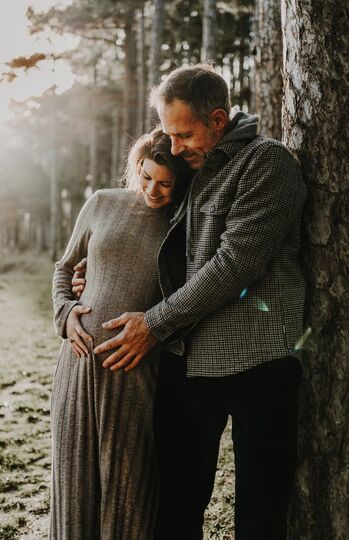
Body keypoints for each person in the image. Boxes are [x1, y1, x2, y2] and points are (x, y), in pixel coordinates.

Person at [74, 64, 307, 540]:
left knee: (260, 515)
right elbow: (162, 242)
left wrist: (155, 323)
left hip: (257, 365)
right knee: (175, 509)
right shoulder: (190, 167)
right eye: (168, 134)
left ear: (218, 121)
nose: (174, 147)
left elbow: (235, 264)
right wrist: (96, 271)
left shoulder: (266, 163)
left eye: (184, 133)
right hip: (186, 363)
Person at [50, 128, 191, 540]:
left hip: (136, 369)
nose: (153, 189)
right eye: (146, 177)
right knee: (73, 479)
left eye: (165, 183)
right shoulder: (101, 204)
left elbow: (186, 297)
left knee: (127, 485)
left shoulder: (183, 224)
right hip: (76, 365)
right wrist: (66, 312)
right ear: (137, 166)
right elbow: (64, 267)